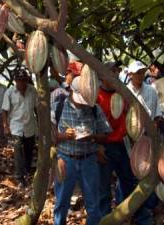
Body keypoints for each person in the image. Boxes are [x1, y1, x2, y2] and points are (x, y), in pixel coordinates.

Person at [53, 76, 112, 225]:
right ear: (71, 91)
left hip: (88, 160)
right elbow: (48, 137)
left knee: (93, 204)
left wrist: (92, 137)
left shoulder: (94, 108)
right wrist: (64, 135)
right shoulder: (58, 107)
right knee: (62, 203)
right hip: (66, 159)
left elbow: (105, 136)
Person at [97, 72, 154, 225]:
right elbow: (92, 122)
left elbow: (132, 114)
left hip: (122, 144)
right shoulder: (97, 96)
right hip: (105, 146)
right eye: (112, 73)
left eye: (116, 74)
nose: (115, 76)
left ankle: (141, 218)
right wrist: (97, 146)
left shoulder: (122, 93)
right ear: (103, 77)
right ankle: (106, 219)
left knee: (129, 182)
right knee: (104, 188)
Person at [2, 69, 38, 187]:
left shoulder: (32, 91)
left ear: (27, 80)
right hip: (16, 126)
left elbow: (37, 108)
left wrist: (40, 123)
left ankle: (27, 170)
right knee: (18, 150)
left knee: (29, 150)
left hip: (30, 126)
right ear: (15, 81)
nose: (22, 83)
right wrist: (5, 126)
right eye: (19, 81)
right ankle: (19, 176)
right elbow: (5, 110)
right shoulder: (10, 92)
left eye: (24, 80)